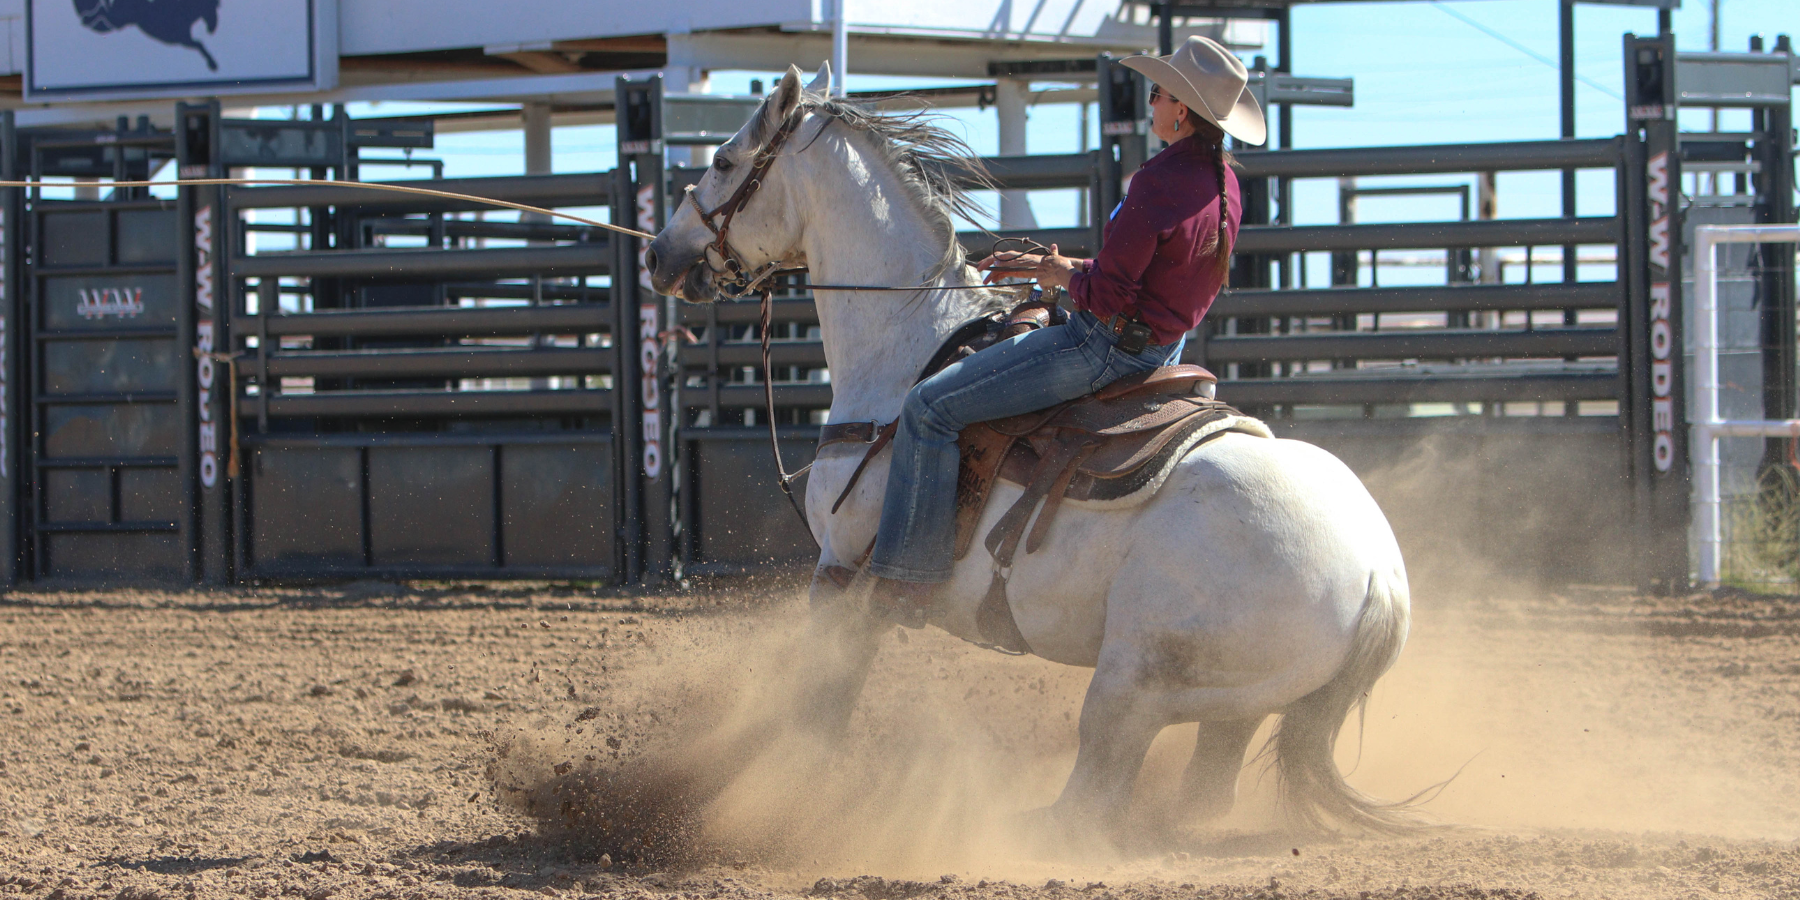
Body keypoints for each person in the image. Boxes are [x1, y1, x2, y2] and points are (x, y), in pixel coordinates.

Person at [863, 35, 1266, 621]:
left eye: (1157, 92)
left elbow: (1105, 298)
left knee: (928, 408)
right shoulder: (1225, 183)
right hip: (1162, 349)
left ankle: (906, 584)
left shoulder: (1157, 181)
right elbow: (1155, 277)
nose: (1150, 101)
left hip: (1103, 349)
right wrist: (1061, 268)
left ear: (1180, 108)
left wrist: (1063, 278)